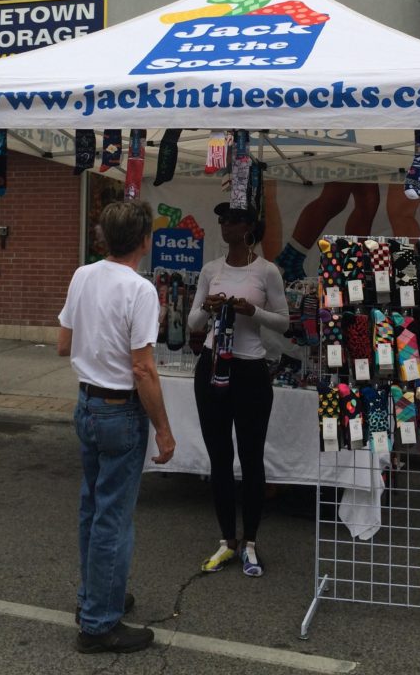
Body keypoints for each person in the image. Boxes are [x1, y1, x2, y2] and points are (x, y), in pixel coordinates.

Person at [57, 200, 175, 656]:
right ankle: (99, 623)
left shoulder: (83, 275)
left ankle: (95, 596)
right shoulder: (141, 289)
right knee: (113, 518)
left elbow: (63, 343)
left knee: (93, 508)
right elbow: (143, 368)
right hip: (120, 409)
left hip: (87, 402)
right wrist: (163, 428)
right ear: (145, 240)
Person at [188, 202, 289, 578]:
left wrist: (252, 312)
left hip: (249, 370)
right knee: (219, 457)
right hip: (213, 364)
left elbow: (284, 322)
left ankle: (250, 542)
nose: (225, 225)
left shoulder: (267, 271)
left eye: (232, 220)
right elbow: (194, 321)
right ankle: (226, 539)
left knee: (250, 457)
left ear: (248, 227)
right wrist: (209, 307)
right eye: (222, 220)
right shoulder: (211, 269)